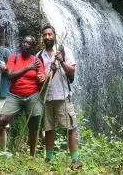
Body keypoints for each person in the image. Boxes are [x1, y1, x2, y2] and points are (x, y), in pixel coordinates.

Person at [0, 35, 45, 157]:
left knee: (33, 126)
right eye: (23, 42)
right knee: (1, 120)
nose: (24, 44)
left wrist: (40, 79)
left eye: (28, 43)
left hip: (32, 94)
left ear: (32, 47)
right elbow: (10, 76)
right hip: (14, 95)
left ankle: (32, 156)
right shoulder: (14, 57)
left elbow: (41, 79)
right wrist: (28, 67)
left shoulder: (37, 61)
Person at [38, 24, 80, 169]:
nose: (47, 37)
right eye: (45, 35)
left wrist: (61, 61)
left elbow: (72, 71)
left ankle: (75, 160)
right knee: (48, 129)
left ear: (54, 35)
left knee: (69, 128)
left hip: (62, 96)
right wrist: (42, 76)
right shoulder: (39, 56)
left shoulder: (64, 50)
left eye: (50, 34)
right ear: (42, 37)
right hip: (48, 98)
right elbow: (41, 79)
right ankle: (48, 159)